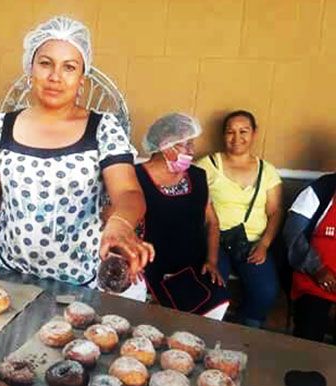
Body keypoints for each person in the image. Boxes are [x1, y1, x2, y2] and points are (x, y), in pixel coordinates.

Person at [0, 16, 153, 287]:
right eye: (46, 63)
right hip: (10, 277)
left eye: (69, 67)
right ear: (30, 69)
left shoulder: (102, 129)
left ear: (82, 78)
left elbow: (128, 193)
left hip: (77, 282)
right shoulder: (4, 125)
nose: (55, 76)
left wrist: (120, 223)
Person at [135, 113, 229, 319]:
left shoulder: (197, 176)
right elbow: (117, 221)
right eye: (186, 145)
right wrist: (130, 258)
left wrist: (212, 261)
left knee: (215, 305)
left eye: (191, 144)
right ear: (165, 145)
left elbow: (212, 222)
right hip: (149, 267)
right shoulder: (135, 178)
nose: (192, 151)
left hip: (193, 267)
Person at [197, 110, 281, 328]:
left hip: (252, 242)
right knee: (213, 286)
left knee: (266, 292)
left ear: (254, 133)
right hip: (214, 241)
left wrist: (264, 244)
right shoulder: (208, 165)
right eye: (230, 132)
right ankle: (209, 332)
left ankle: (246, 332)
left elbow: (275, 212)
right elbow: (195, 204)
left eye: (243, 131)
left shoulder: (268, 171)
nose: (236, 138)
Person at [284, 172, 336, 343]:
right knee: (309, 333)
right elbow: (293, 234)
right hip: (314, 277)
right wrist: (318, 269)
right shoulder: (320, 189)